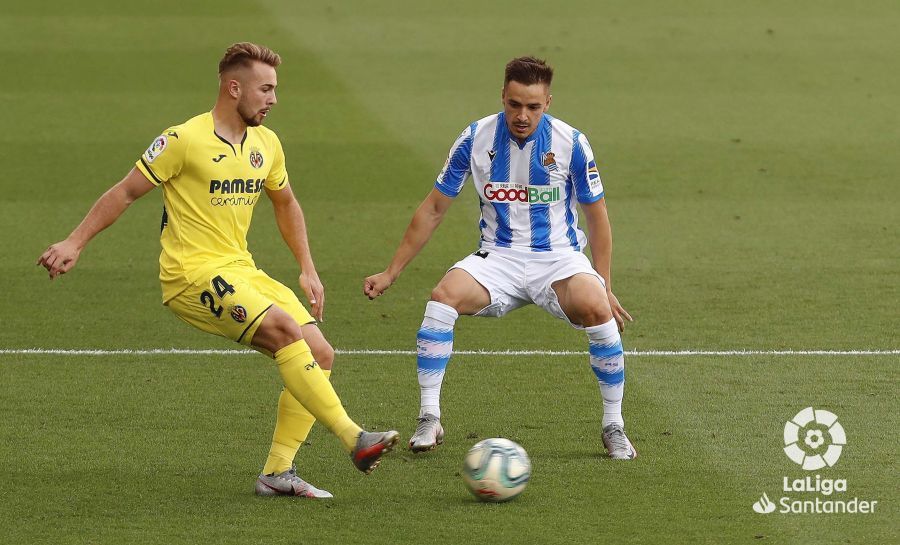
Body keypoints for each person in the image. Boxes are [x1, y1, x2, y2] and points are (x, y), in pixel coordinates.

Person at [37, 42, 399, 497]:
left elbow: (285, 203)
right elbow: (125, 192)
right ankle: (354, 438)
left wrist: (307, 268)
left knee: (320, 352)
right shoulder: (183, 140)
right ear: (234, 88)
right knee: (286, 329)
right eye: (265, 89)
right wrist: (75, 241)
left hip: (240, 268)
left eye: (274, 90)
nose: (273, 99)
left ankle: (276, 473)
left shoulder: (266, 144)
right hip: (191, 275)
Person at [364, 56, 636, 459]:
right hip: (498, 258)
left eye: (533, 106)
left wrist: (605, 285)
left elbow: (597, 219)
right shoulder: (475, 138)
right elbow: (434, 208)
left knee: (597, 308)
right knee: (442, 297)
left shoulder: (572, 144)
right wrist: (391, 271)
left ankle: (614, 425)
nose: (522, 115)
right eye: (514, 104)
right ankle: (428, 417)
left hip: (558, 258)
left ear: (548, 102)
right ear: (503, 97)